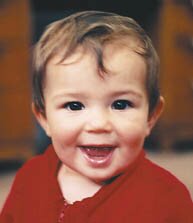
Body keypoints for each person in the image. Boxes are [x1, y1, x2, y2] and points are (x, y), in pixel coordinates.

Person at [0, 11, 193, 223]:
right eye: (74, 105)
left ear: (151, 116)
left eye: (121, 104)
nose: (99, 124)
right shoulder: (30, 179)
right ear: (44, 118)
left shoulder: (167, 198)